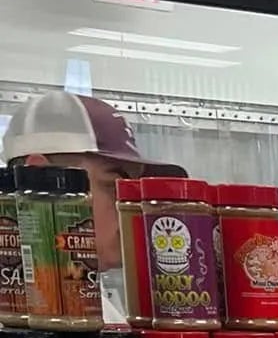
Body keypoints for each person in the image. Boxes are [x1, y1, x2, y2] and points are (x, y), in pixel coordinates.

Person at [4, 90, 180, 323]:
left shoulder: (89, 302)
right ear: (41, 179)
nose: (133, 210)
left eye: (135, 192)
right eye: (114, 186)